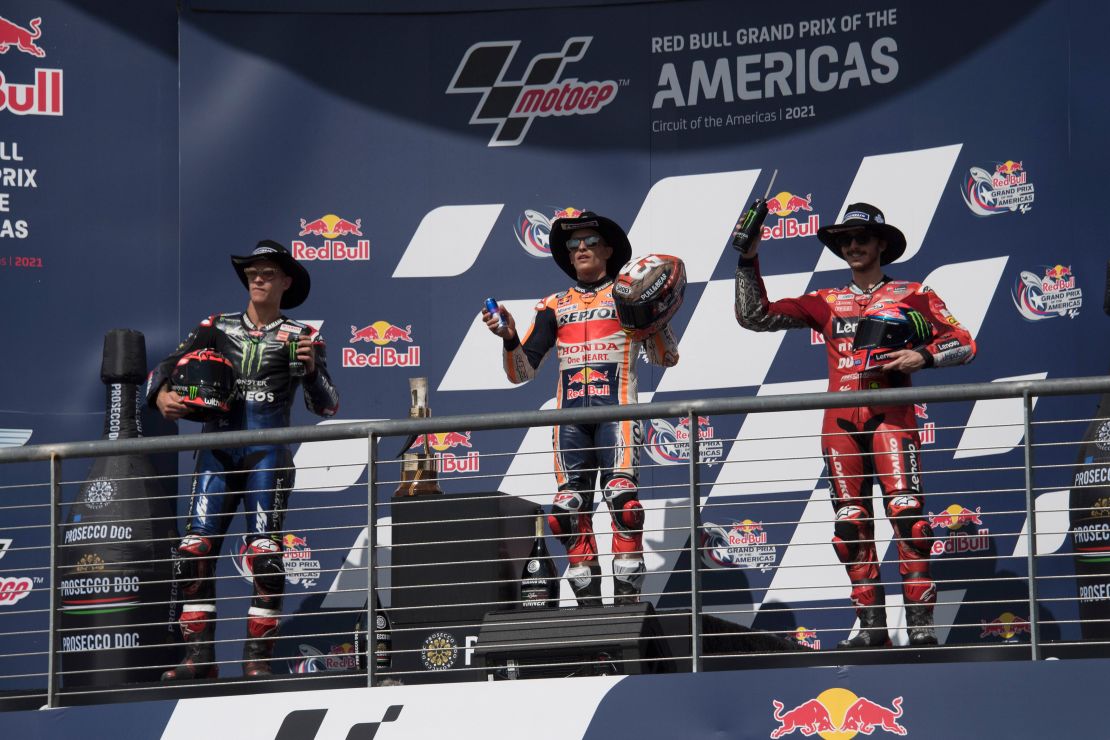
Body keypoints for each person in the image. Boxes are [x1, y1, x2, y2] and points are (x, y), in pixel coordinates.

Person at [734, 203, 975, 647]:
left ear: (882, 243)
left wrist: (922, 356)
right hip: (839, 421)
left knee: (910, 522)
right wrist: (747, 260)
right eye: (846, 239)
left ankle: (922, 629)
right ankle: (871, 629)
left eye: (862, 236)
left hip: (893, 416)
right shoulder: (825, 300)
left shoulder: (914, 292)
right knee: (849, 528)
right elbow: (755, 316)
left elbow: (964, 343)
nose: (854, 245)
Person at [148, 240, 339, 679]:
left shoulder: (303, 337)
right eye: (252, 271)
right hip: (216, 451)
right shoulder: (215, 326)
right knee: (193, 552)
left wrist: (310, 372)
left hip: (267, 455)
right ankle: (199, 659)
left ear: (286, 282)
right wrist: (162, 396)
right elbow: (167, 367)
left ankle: (257, 660)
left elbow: (327, 406)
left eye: (268, 272)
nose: (258, 277)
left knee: (267, 556)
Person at [483, 209, 679, 606]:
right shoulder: (552, 306)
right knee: (566, 513)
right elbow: (521, 372)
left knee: (624, 503)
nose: (582, 248)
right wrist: (508, 337)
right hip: (568, 419)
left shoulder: (628, 296)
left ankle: (627, 608)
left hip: (617, 413)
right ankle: (590, 613)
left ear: (609, 250)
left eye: (591, 242)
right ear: (567, 255)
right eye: (574, 244)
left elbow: (666, 358)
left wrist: (655, 317)